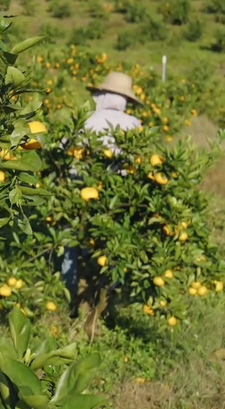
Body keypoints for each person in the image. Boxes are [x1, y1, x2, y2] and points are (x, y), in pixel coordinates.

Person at [60, 71, 142, 310]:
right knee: (111, 249)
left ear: (105, 95)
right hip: (119, 199)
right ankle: (107, 302)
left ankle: (70, 302)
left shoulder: (87, 121)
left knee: (71, 247)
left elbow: (64, 150)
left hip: (80, 194)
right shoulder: (135, 125)